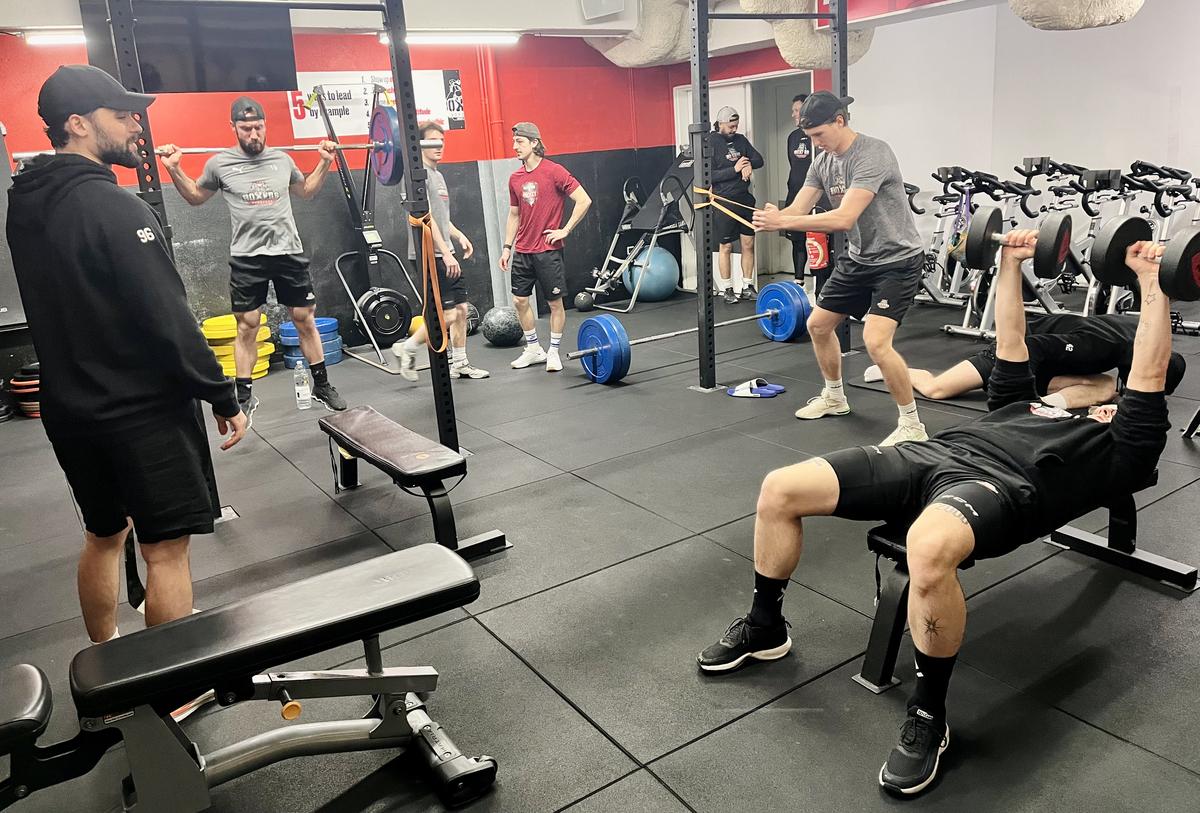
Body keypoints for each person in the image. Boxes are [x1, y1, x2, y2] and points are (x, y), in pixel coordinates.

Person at [696, 228, 1174, 796]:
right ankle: (766, 626)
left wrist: (1152, 282)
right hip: (935, 455)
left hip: (1003, 486)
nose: (1077, 382)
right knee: (781, 487)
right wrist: (1010, 262)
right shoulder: (1026, 400)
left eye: (1094, 382)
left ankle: (929, 713)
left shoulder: (1127, 438)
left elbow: (1147, 369)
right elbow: (1014, 336)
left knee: (927, 548)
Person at [5, 65, 248, 646]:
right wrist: (221, 392)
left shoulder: (25, 206)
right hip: (140, 413)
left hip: (70, 410)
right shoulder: (115, 208)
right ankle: (172, 693)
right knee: (164, 553)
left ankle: (106, 667)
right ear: (78, 124)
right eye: (121, 115)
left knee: (103, 536)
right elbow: (166, 317)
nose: (136, 125)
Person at [753, 92, 926, 446]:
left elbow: (845, 218)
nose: (815, 144)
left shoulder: (873, 153)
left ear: (840, 121)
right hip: (860, 259)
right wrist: (775, 217)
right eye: (810, 137)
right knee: (817, 325)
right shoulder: (823, 161)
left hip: (897, 261)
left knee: (875, 341)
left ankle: (912, 424)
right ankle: (834, 396)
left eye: (819, 135)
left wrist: (784, 222)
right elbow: (800, 207)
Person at [159, 96, 347, 419]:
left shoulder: (282, 160)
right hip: (247, 257)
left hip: (288, 251)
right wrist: (174, 168)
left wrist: (326, 161)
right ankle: (243, 394)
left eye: (259, 127)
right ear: (233, 128)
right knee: (247, 325)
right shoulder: (219, 164)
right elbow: (193, 197)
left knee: (304, 318)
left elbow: (307, 191)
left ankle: (322, 384)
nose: (254, 134)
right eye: (246, 128)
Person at [865, 312, 1186, 407]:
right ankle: (901, 371)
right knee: (937, 390)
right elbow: (1033, 346)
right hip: (1015, 349)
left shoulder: (1143, 333)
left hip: (1057, 358)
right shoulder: (1098, 347)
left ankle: (1048, 410)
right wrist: (1017, 390)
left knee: (1105, 387)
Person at [393, 121, 488, 380]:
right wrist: (445, 251)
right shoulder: (414, 177)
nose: (438, 147)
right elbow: (424, 217)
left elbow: (441, 217)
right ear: (418, 145)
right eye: (431, 142)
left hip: (445, 251)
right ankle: (407, 347)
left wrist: (458, 236)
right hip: (428, 255)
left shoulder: (439, 175)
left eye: (441, 142)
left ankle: (459, 363)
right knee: (445, 314)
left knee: (461, 310)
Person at [499, 121, 592, 372]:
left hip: (548, 251)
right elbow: (514, 215)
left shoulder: (555, 171)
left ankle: (553, 351)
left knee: (554, 304)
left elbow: (584, 200)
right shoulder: (515, 178)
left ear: (534, 143)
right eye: (514, 141)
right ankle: (533, 349)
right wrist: (507, 247)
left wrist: (565, 229)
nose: (514, 146)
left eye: (520, 141)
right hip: (523, 250)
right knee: (520, 301)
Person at [708, 106, 764, 303]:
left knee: (748, 243)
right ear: (721, 123)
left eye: (736, 125)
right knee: (726, 246)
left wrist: (747, 164)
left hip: (744, 200)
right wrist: (735, 169)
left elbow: (759, 160)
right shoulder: (710, 142)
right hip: (724, 202)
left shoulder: (740, 140)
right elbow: (708, 176)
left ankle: (747, 286)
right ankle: (728, 289)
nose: (734, 129)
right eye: (730, 126)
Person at [784, 93, 817, 283]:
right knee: (797, 241)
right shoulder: (792, 137)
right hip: (795, 196)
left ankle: (819, 285)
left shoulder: (816, 138)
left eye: (796, 110)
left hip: (815, 198)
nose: (793, 115)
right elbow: (793, 165)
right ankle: (799, 283)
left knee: (815, 240)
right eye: (793, 111)